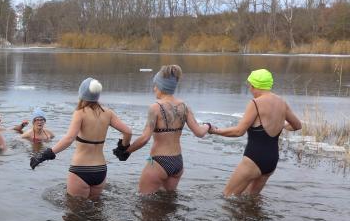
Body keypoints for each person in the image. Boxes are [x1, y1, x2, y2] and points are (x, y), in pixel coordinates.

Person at [30, 78, 132, 199]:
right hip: (100, 170)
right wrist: (123, 148)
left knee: (74, 208)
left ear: (81, 94)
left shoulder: (80, 113)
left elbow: (69, 139)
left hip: (80, 169)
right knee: (96, 206)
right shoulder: (108, 113)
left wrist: (44, 155)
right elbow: (128, 132)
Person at [210, 68, 301, 196]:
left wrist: (215, 131)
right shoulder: (282, 102)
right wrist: (282, 125)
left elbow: (238, 131)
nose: (250, 89)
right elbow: (297, 125)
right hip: (272, 160)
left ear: (255, 85)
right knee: (251, 199)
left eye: (250, 86)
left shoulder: (255, 103)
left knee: (227, 196)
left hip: (253, 159)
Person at [122, 65, 211, 194]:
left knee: (143, 201)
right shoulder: (184, 106)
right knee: (168, 201)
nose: (154, 89)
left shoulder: (155, 108)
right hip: (177, 163)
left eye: (155, 86)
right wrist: (208, 126)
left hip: (158, 162)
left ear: (161, 87)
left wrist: (126, 151)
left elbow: (144, 138)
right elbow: (199, 133)